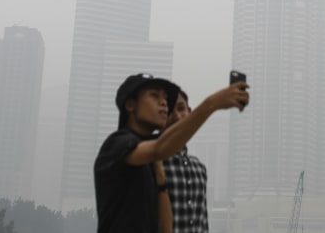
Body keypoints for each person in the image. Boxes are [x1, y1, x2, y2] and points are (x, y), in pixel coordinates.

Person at [94, 73, 249, 233]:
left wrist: (161, 181)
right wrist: (212, 104)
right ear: (131, 105)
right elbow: (159, 148)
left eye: (165, 99)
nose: (164, 104)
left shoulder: (155, 160)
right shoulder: (116, 144)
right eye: (154, 96)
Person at [163, 89, 209, 233]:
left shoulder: (199, 168)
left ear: (190, 112)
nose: (177, 116)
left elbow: (202, 222)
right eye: (169, 111)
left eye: (181, 109)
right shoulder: (150, 163)